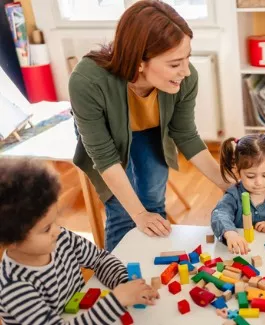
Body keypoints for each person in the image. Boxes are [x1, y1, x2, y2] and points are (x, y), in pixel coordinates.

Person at [68, 0, 230, 251]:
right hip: (107, 141)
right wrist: (138, 215)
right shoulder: (86, 81)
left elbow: (185, 134)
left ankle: (158, 272)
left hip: (150, 131)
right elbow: (105, 156)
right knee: (124, 212)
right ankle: (120, 280)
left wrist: (226, 184)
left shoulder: (185, 80)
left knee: (153, 203)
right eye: (175, 64)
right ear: (139, 62)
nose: (186, 71)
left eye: (187, 58)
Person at [0, 159, 159, 324]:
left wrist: (123, 282)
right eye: (46, 229)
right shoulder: (13, 286)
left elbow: (99, 259)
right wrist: (116, 301)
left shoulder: (62, 239)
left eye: (56, 221)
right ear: (12, 241)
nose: (57, 231)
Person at [211, 132, 265, 255]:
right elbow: (219, 214)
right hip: (240, 252)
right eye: (250, 176)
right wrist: (230, 233)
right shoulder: (233, 195)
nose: (258, 182)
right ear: (239, 172)